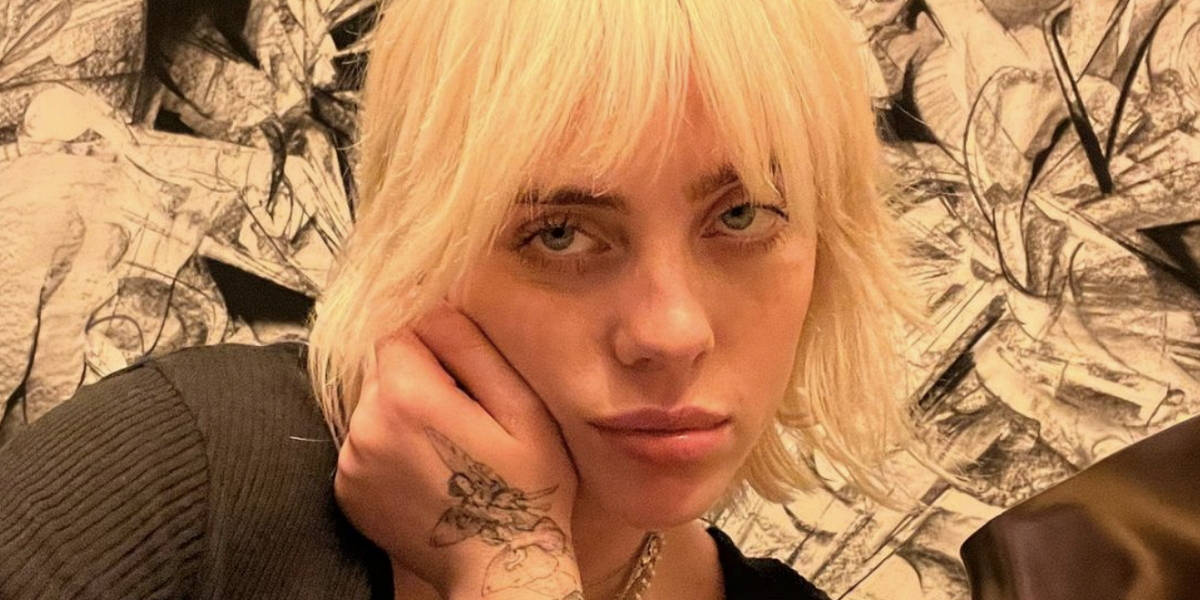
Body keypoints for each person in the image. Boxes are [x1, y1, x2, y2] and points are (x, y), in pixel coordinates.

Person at [0, 1, 923, 599]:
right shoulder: (183, 478)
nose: (672, 332)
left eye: (743, 216)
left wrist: (510, 571)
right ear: (422, 242)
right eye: (560, 233)